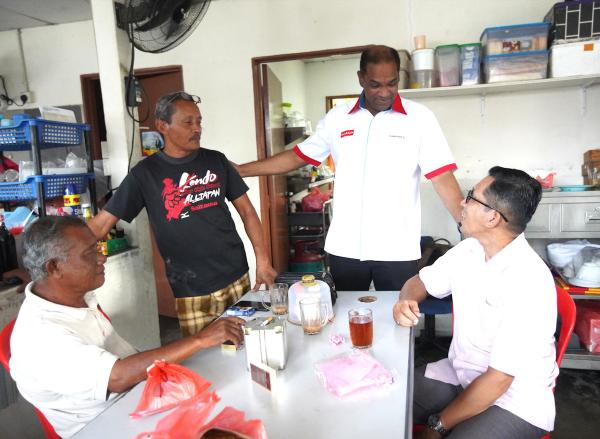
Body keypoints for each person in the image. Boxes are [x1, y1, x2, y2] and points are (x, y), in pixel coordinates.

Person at [237, 45, 463, 292]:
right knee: (344, 311)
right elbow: (298, 156)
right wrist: (241, 171)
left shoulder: (419, 118)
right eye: (375, 84)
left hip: (397, 247)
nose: (385, 92)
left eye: (392, 83)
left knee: (399, 311)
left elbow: (442, 176)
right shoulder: (338, 118)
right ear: (361, 78)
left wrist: (468, 226)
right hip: (346, 246)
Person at [9, 216, 246, 438]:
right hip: (107, 425)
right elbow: (117, 377)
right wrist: (199, 339)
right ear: (53, 268)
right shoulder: (40, 338)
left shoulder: (73, 297)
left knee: (233, 390)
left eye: (98, 248)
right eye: (90, 253)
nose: (102, 258)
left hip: (137, 396)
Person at [87, 91, 276, 336]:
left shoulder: (216, 161)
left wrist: (263, 261)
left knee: (245, 342)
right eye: (188, 122)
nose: (197, 128)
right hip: (191, 289)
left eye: (199, 121)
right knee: (203, 354)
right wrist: (57, 250)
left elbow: (248, 212)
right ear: (162, 126)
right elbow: (101, 224)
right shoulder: (145, 174)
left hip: (236, 275)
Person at [393, 167, 557, 438]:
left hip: (514, 398)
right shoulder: (470, 250)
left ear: (493, 217)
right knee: (386, 400)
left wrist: (437, 425)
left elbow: (499, 379)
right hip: (460, 373)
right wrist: (406, 301)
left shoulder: (528, 279)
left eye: (470, 197)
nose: (462, 202)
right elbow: (419, 282)